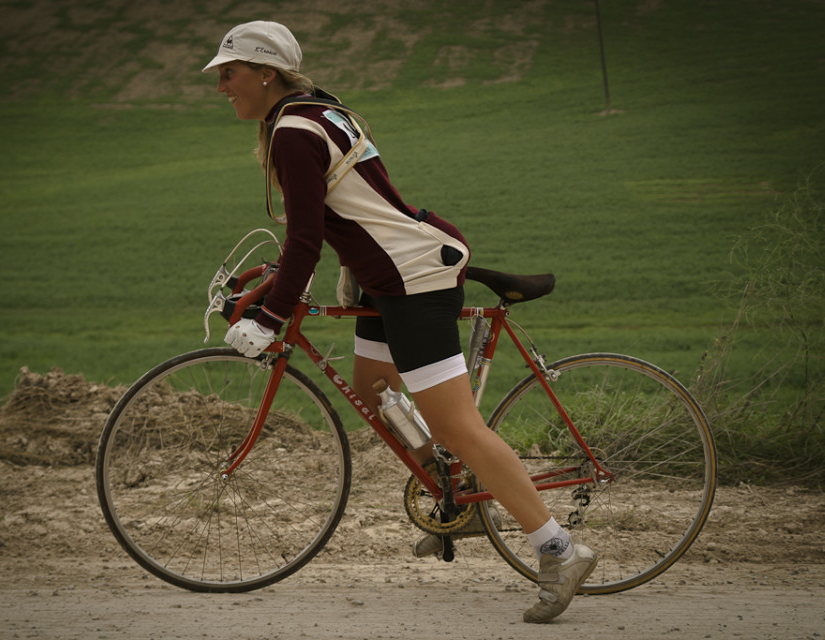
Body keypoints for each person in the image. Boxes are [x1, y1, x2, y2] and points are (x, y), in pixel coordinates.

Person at [203, 20, 597, 623]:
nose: (221, 84)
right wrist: (280, 289)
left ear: (265, 71)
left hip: (415, 278)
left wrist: (273, 314)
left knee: (460, 426)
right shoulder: (319, 112)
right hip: (387, 276)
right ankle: (459, 499)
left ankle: (559, 548)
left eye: (228, 72)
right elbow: (335, 218)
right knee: (372, 389)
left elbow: (308, 237)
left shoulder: (294, 131)